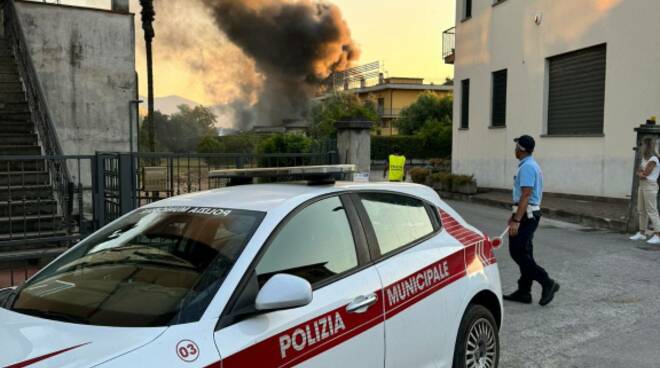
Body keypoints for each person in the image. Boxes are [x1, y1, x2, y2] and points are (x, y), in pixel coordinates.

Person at [503, 135, 560, 306]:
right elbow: (524, 196)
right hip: (527, 213)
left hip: (527, 216)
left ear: (520, 149)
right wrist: (514, 215)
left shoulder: (527, 167)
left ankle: (547, 282)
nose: (514, 149)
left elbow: (526, 194)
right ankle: (524, 291)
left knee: (518, 252)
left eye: (516, 147)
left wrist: (517, 220)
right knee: (525, 253)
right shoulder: (530, 165)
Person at [629, 137, 660, 244]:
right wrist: (641, 173)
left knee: (652, 210)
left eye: (642, 145)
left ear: (647, 146)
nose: (641, 147)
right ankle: (642, 233)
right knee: (641, 210)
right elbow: (638, 172)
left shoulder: (653, 159)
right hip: (642, 186)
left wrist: (641, 173)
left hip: (650, 186)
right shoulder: (644, 158)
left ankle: (658, 234)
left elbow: (644, 174)